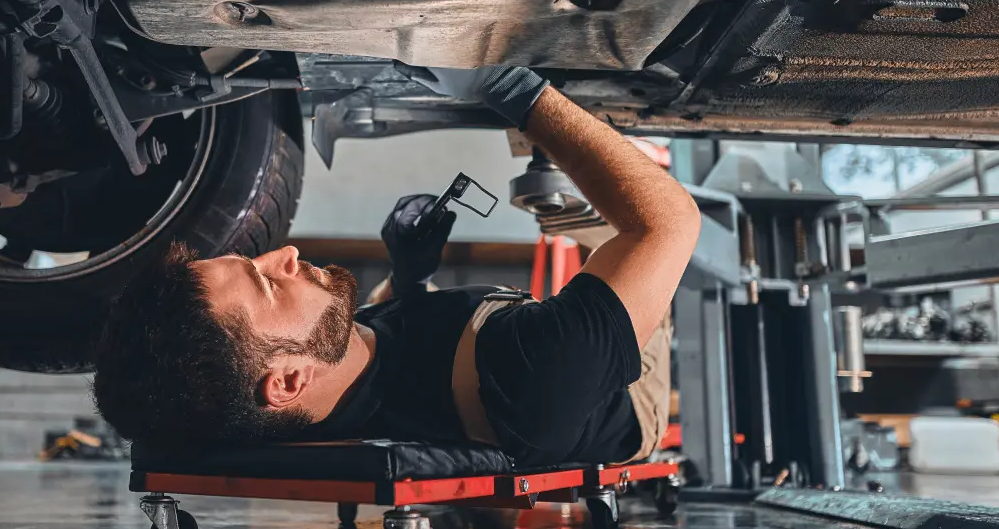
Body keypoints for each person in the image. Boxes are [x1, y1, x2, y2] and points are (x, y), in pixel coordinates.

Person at [92, 64, 701, 466]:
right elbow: (669, 223)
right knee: (608, 213)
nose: (285, 254)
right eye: (267, 283)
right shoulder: (532, 375)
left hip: (483, 336)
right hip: (618, 393)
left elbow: (382, 346)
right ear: (286, 383)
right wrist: (515, 88)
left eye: (257, 260)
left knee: (560, 180)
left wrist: (410, 274)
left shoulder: (308, 388)